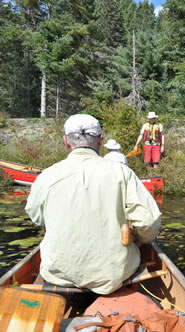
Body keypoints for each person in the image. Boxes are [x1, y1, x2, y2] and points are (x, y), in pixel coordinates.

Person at [25, 114, 161, 295]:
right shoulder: (122, 172)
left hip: (57, 273)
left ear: (66, 141)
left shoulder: (46, 176)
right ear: (100, 139)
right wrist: (140, 238)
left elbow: (36, 217)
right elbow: (149, 222)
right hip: (113, 274)